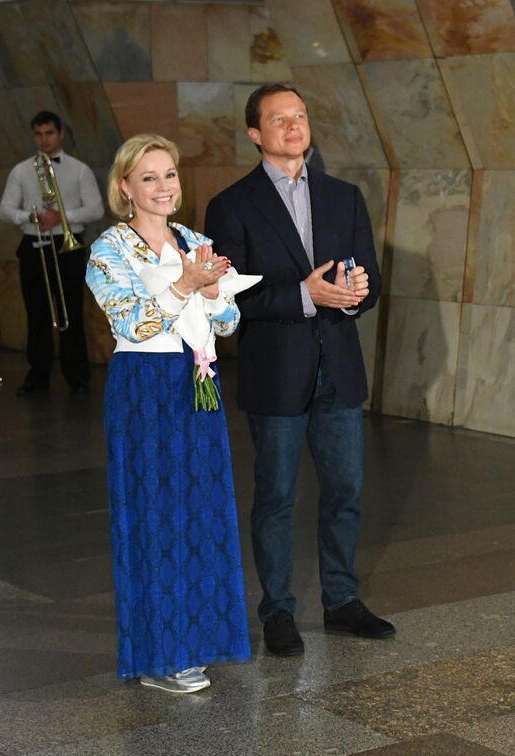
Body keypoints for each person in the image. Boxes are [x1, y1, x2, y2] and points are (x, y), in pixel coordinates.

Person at [204, 83, 394, 657]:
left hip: (338, 368)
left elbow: (369, 280)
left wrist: (357, 293)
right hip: (276, 373)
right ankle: (278, 612)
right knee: (277, 497)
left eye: (301, 116)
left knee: (345, 491)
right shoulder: (231, 205)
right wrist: (306, 296)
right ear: (256, 134)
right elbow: (228, 302)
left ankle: (340, 601)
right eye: (279, 118)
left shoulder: (345, 196)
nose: (294, 126)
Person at [85, 134, 252, 694]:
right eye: (149, 177)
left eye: (170, 175)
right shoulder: (109, 249)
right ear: (125, 187)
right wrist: (187, 284)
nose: (163, 187)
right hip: (145, 387)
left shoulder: (194, 238)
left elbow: (228, 321)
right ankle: (159, 656)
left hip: (198, 380)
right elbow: (132, 325)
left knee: (203, 512)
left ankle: (200, 642)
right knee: (156, 515)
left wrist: (210, 294)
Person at [0, 111, 103, 395]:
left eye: (49, 133)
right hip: (33, 247)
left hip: (67, 247)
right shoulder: (21, 171)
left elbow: (96, 209)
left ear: (61, 134)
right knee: (37, 314)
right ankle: (38, 376)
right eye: (39, 134)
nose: (44, 140)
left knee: (71, 312)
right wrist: (29, 217)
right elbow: (5, 209)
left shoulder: (79, 170)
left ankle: (77, 376)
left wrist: (61, 217)